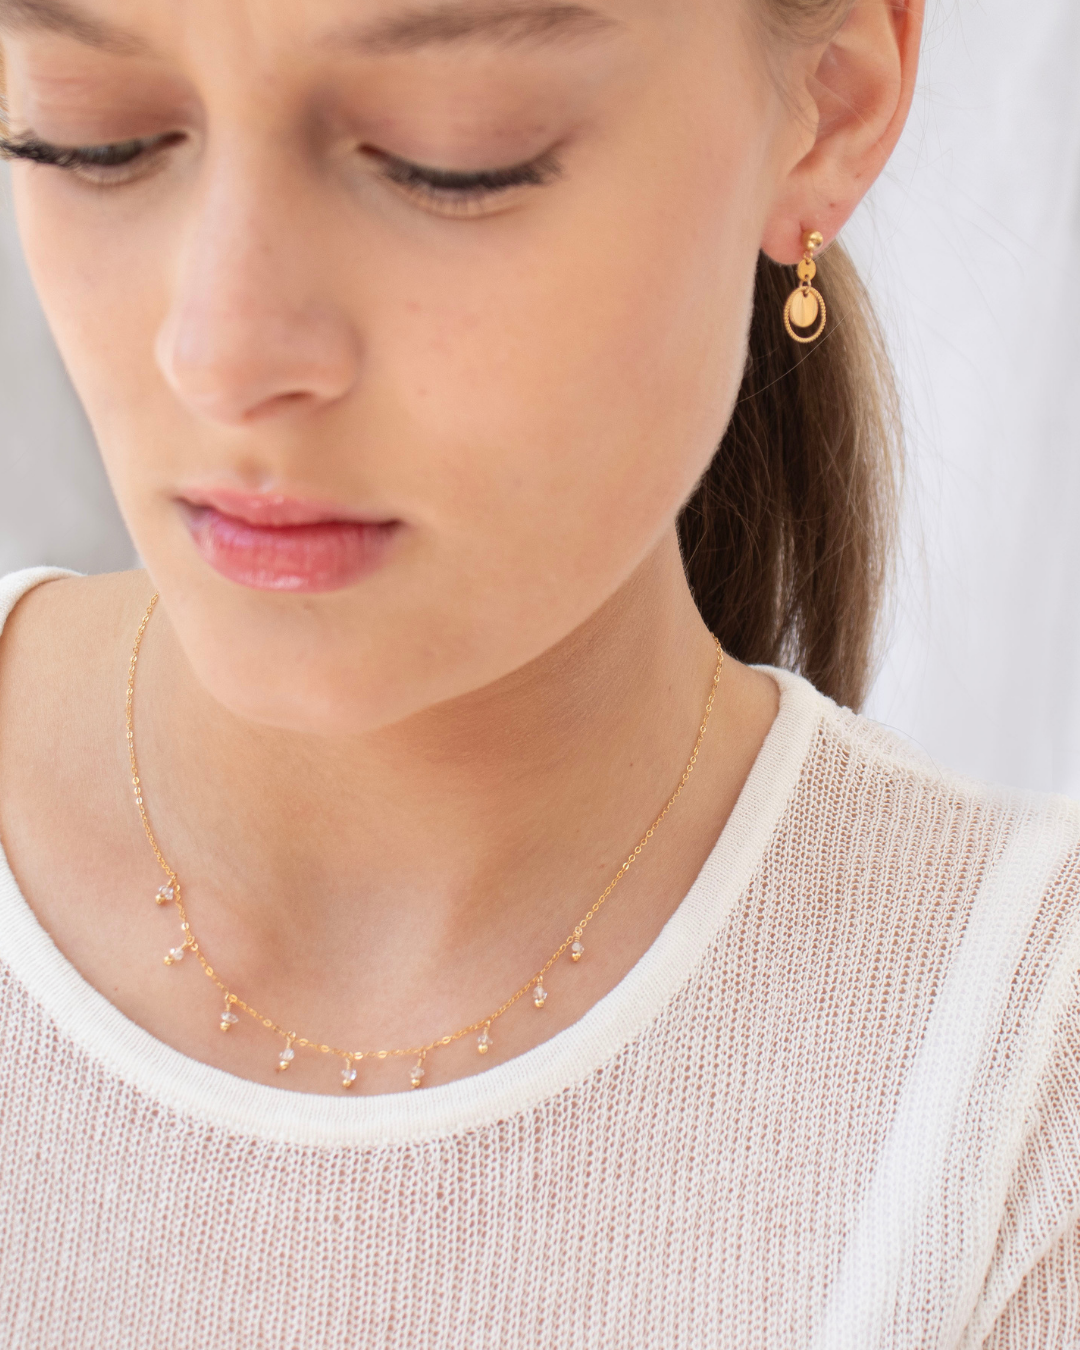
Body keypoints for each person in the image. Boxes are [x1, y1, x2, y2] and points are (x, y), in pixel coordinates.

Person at [0, 0, 1076, 1344]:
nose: (222, 355)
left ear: (831, 105)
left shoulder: (1022, 1089)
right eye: (93, 136)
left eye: (449, 157)